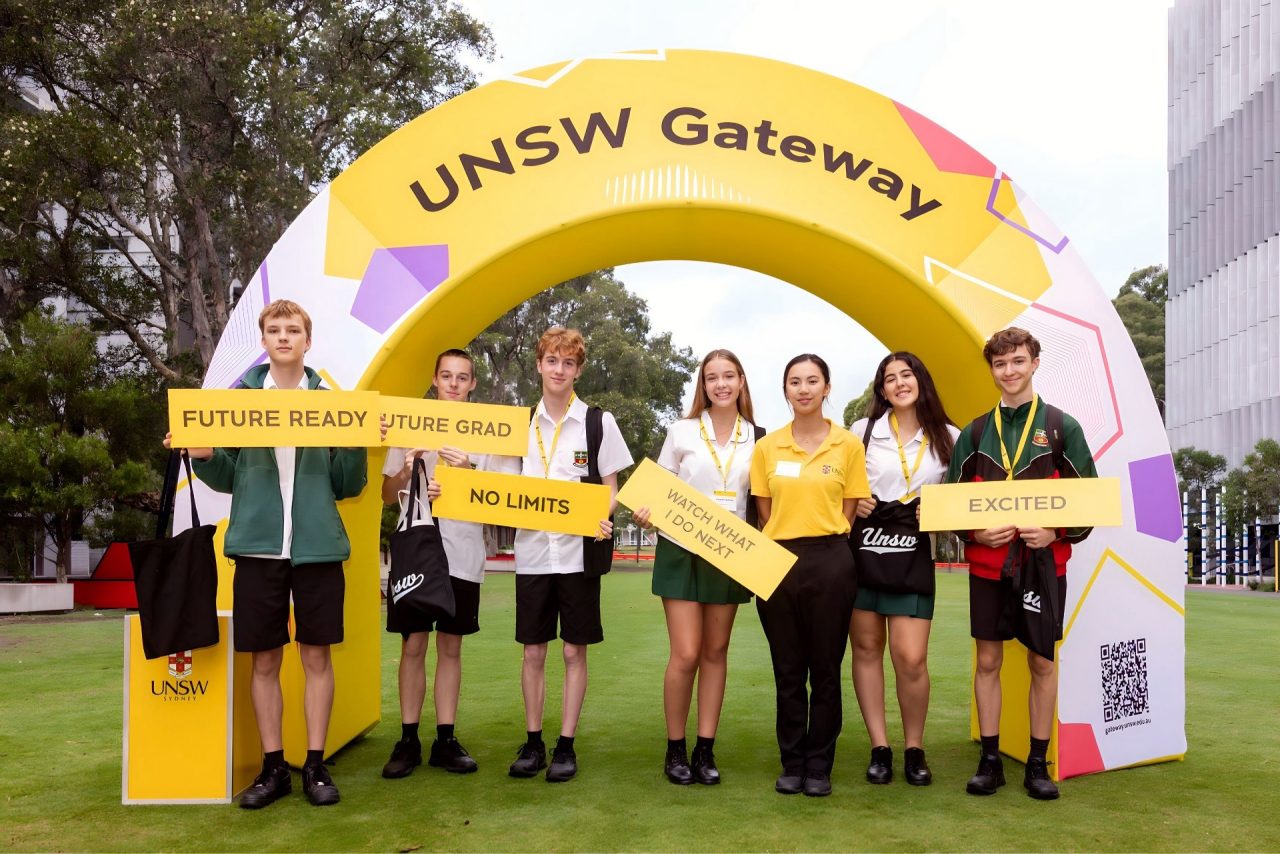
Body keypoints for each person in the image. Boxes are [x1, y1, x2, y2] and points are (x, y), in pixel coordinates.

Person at [164, 299, 376, 808]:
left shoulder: (334, 401)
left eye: (294, 329)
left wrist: (356, 443)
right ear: (263, 340)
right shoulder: (237, 400)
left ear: (308, 340)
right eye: (275, 329)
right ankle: (273, 766)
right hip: (258, 549)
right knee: (264, 660)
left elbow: (349, 484)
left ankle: (317, 766)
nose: (284, 337)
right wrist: (204, 454)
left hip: (318, 549)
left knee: (317, 655)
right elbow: (228, 476)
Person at [944, 327, 1097, 801]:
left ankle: (1037, 762)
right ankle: (990, 761)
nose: (1009, 371)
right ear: (991, 370)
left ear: (1034, 363)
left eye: (1017, 361)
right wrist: (974, 533)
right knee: (987, 660)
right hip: (989, 569)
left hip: (1044, 568)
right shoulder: (973, 432)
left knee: (1041, 661)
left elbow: (1090, 502)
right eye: (1000, 364)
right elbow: (950, 506)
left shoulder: (1060, 426)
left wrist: (1056, 532)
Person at [494, 327, 634, 783]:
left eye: (568, 363)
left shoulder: (598, 422)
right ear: (538, 364)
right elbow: (496, 490)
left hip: (578, 557)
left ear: (578, 369)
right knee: (534, 652)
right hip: (532, 555)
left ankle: (566, 745)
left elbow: (611, 490)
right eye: (552, 361)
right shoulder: (517, 425)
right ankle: (533, 742)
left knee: (575, 652)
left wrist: (601, 514)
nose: (559, 370)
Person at [632, 349, 761, 786]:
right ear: (702, 385)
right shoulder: (681, 430)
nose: (720, 384)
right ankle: (675, 749)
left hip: (731, 552)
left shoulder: (759, 437)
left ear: (741, 381)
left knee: (715, 652)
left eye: (728, 376)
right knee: (686, 653)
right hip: (680, 549)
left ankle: (705, 748)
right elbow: (658, 488)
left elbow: (762, 501)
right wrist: (645, 512)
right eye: (712, 378)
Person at [749, 354, 870, 798]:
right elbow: (765, 512)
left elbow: (850, 510)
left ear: (826, 388)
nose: (803, 389)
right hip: (777, 560)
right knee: (787, 669)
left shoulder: (847, 445)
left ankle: (819, 764)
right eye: (795, 382)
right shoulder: (767, 447)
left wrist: (823, 542)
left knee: (825, 669)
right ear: (785, 390)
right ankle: (792, 761)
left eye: (812, 381)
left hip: (831, 560)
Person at [379, 349, 494, 779]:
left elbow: (501, 498)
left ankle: (446, 738)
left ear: (472, 384)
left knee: (451, 644)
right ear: (435, 378)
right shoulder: (410, 424)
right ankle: (408, 738)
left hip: (462, 552)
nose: (453, 383)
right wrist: (408, 469)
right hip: (416, 550)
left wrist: (471, 467)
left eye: (462, 377)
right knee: (412, 645)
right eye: (446, 375)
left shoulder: (488, 433)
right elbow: (387, 494)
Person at [849, 352, 959, 787]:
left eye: (906, 375)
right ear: (881, 390)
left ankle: (915, 747)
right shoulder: (862, 431)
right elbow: (840, 485)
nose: (898, 384)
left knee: (911, 658)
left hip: (915, 556)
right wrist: (852, 501)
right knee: (866, 649)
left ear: (921, 380)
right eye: (889, 378)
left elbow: (962, 499)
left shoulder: (949, 435)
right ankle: (880, 747)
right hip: (864, 553)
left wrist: (938, 514)